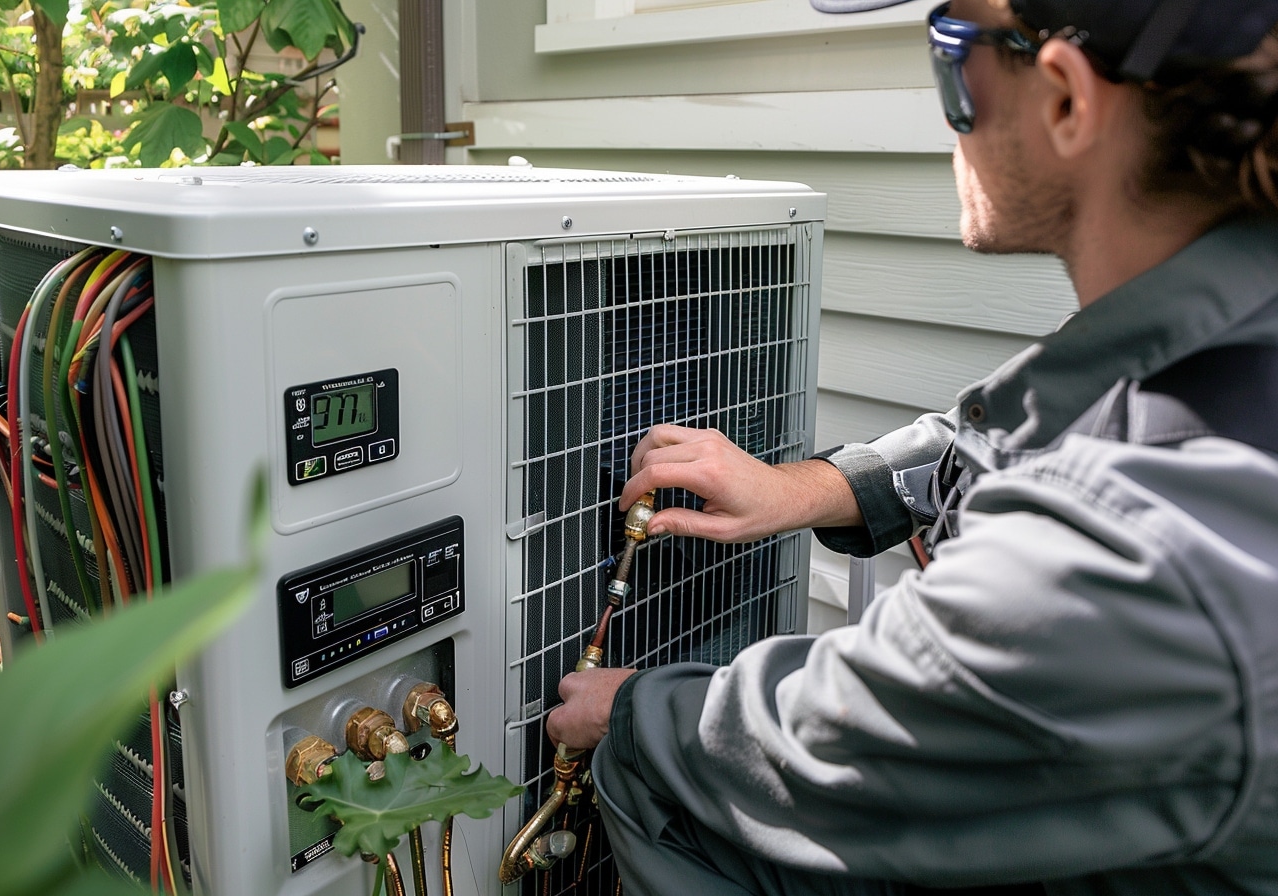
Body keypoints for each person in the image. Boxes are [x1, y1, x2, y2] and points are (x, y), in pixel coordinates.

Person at [545, 0, 1278, 893]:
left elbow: (832, 742)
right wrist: (800, 489)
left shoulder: (1150, 540)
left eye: (950, 53)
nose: (944, 111)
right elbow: (1008, 435)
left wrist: (630, 713)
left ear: (1065, 100)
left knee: (664, 788)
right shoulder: (1217, 331)